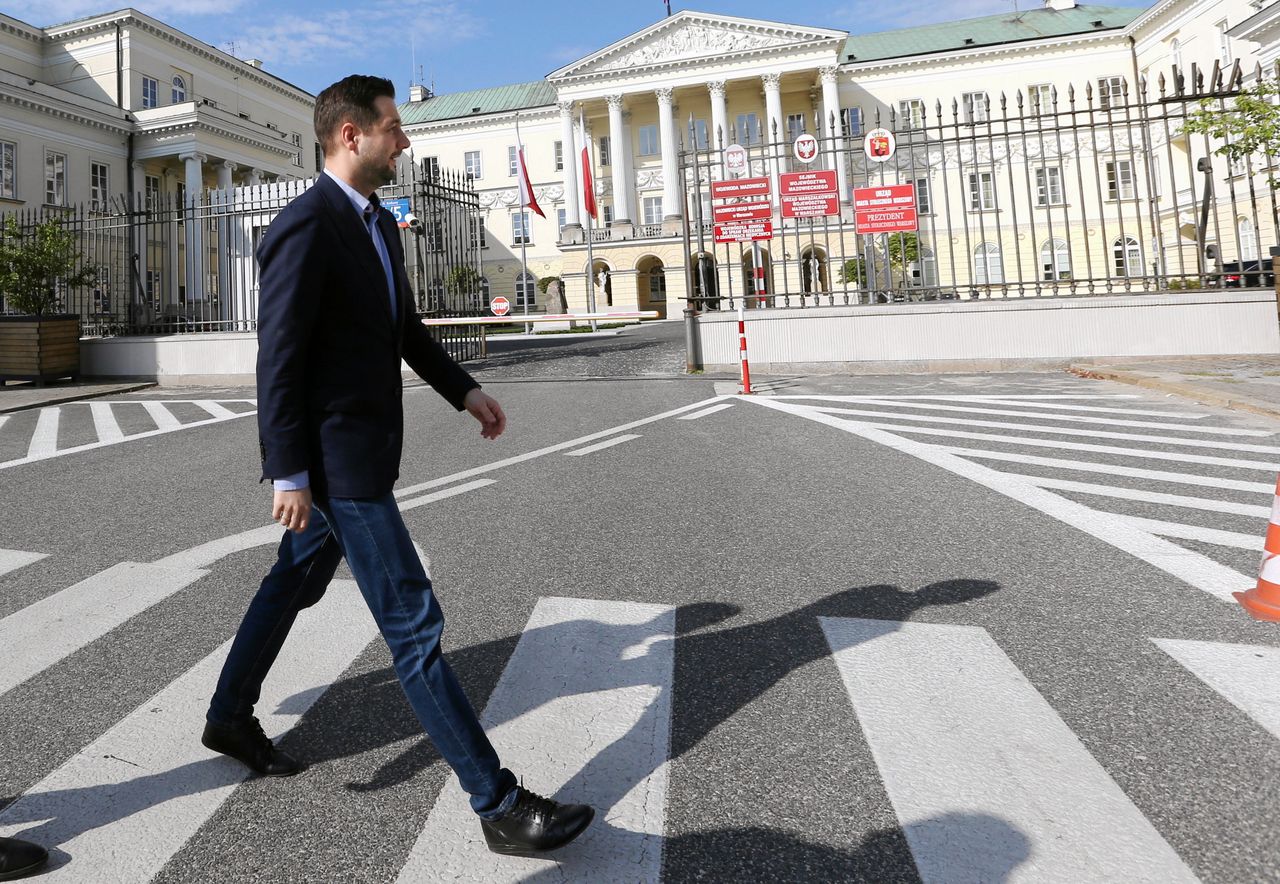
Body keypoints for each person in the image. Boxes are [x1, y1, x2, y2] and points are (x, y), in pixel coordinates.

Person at [201, 74, 593, 858]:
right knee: (414, 626)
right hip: (337, 465)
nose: (404, 141)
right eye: (393, 128)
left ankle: (228, 716)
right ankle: (499, 803)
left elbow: (403, 329)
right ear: (352, 136)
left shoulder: (377, 226)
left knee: (293, 581)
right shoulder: (305, 226)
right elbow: (276, 359)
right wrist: (288, 472)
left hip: (364, 452)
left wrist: (465, 390)